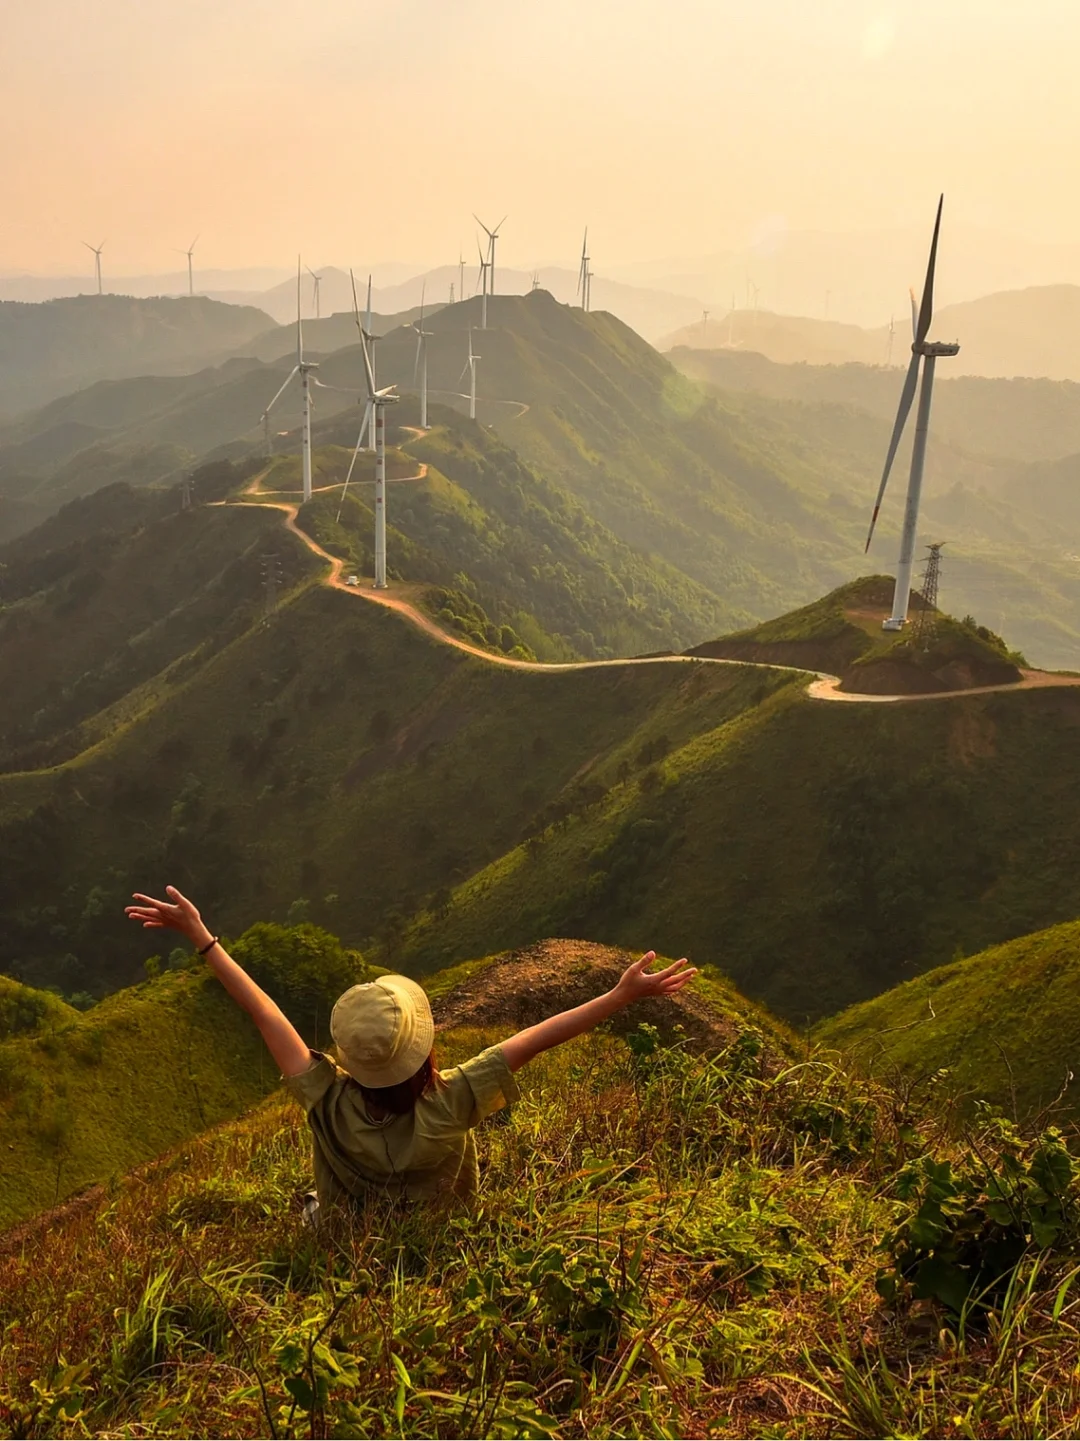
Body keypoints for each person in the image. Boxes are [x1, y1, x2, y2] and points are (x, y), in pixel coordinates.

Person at [125, 885, 696, 1220]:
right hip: (442, 1229)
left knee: (313, 1215)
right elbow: (543, 1034)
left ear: (347, 1057)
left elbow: (264, 1013)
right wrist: (621, 995)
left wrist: (204, 938)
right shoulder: (456, 1098)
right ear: (421, 1049)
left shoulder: (326, 1101)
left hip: (344, 1239)